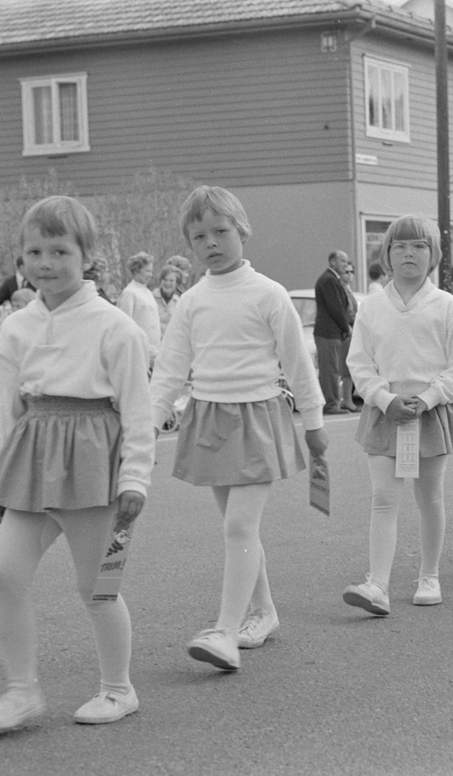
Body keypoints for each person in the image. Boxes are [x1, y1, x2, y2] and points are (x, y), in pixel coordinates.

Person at [0, 195, 152, 730]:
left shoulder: (115, 327)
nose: (46, 263)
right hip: (30, 463)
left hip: (93, 464)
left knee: (97, 586)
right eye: (34, 251)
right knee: (4, 574)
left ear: (87, 257)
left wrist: (135, 480)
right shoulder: (15, 327)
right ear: (21, 259)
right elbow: (1, 408)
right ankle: (21, 690)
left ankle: (118, 689)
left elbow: (138, 411)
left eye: (59, 250)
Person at [150, 186, 327, 671]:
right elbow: (169, 369)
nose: (211, 242)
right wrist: (143, 426)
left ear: (242, 231)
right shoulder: (190, 301)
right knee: (238, 527)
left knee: (239, 525)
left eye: (221, 231)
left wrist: (314, 423)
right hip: (209, 417)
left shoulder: (268, 294)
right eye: (199, 235)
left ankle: (226, 632)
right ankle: (263, 612)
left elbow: (298, 363)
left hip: (259, 417)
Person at [340, 214, 453, 614]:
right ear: (387, 255)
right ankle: (377, 584)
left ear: (433, 255)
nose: (408, 254)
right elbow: (359, 362)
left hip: (431, 411)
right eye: (399, 246)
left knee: (429, 496)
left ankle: (429, 575)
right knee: (383, 497)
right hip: (386, 410)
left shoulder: (446, 305)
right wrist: (383, 399)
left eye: (418, 246)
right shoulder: (373, 306)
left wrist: (430, 398)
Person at [314, 250, 352, 414]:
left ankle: (331, 403)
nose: (345, 264)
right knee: (330, 370)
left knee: (331, 369)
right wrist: (347, 328)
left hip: (331, 333)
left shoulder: (331, 279)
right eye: (342, 261)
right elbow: (335, 308)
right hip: (328, 333)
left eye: (346, 261)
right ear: (332, 262)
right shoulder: (329, 280)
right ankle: (331, 405)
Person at [117, 251, 162, 364]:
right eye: (147, 271)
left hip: (154, 352)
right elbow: (124, 326)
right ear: (137, 271)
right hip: (139, 352)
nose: (150, 275)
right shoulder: (129, 293)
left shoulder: (148, 292)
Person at [339, 262, 360, 412]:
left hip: (353, 330)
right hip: (347, 332)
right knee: (346, 369)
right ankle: (346, 400)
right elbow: (346, 312)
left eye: (351, 272)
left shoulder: (349, 290)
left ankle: (348, 398)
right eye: (346, 272)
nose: (349, 275)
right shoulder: (341, 289)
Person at [153, 264, 182, 338]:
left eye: (171, 280)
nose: (167, 283)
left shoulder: (179, 302)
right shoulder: (151, 298)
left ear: (177, 283)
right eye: (165, 279)